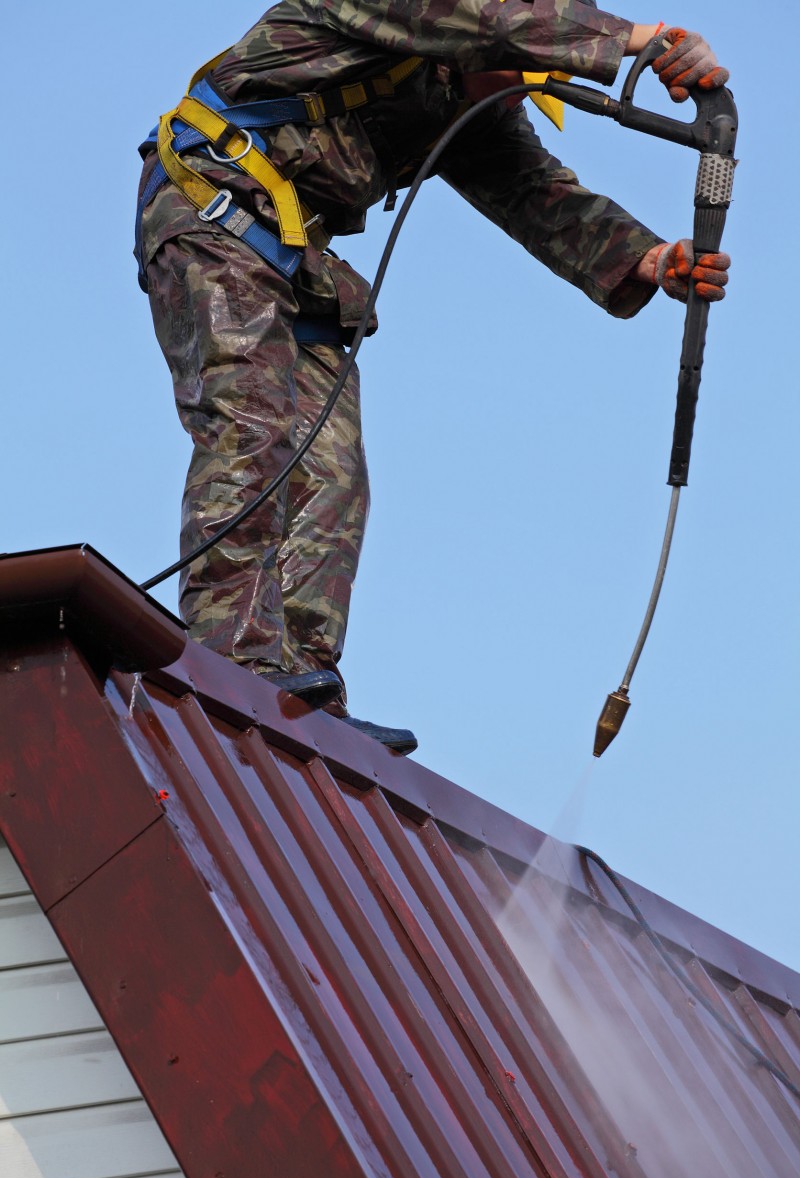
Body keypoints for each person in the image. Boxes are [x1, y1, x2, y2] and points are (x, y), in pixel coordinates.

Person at [136, 3, 730, 754]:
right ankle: (232, 661)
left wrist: (646, 259)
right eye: (511, 75)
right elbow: (480, 14)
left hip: (297, 255)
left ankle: (302, 685)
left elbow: (530, 187)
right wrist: (636, 42)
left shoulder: (465, 92)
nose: (511, 96)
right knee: (250, 427)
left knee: (335, 477)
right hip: (209, 206)